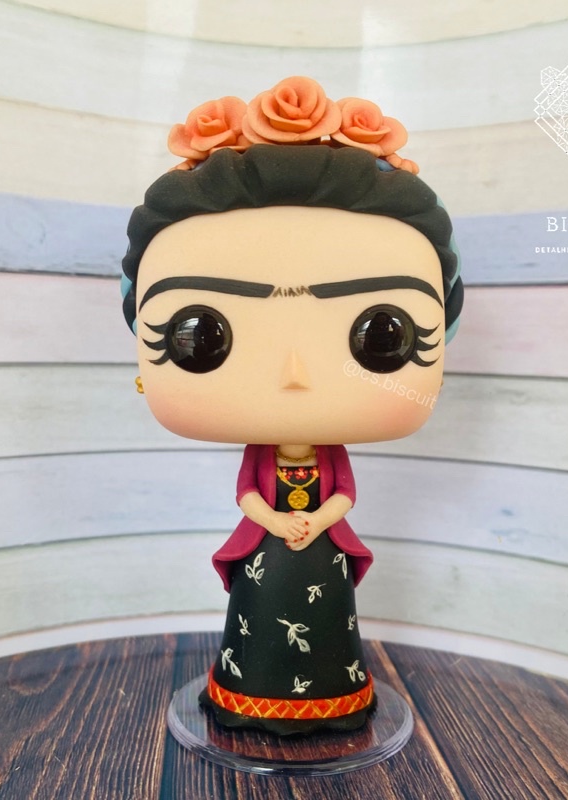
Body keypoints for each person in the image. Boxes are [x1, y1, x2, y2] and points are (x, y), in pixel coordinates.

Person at [121, 77, 462, 734]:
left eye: (384, 336)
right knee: (256, 622)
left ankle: (337, 699)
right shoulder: (262, 456)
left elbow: (345, 495)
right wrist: (279, 522)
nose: (294, 376)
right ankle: (247, 695)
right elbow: (248, 494)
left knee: (330, 625)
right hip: (273, 547)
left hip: (317, 548)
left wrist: (316, 520)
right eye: (200, 335)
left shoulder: (330, 458)